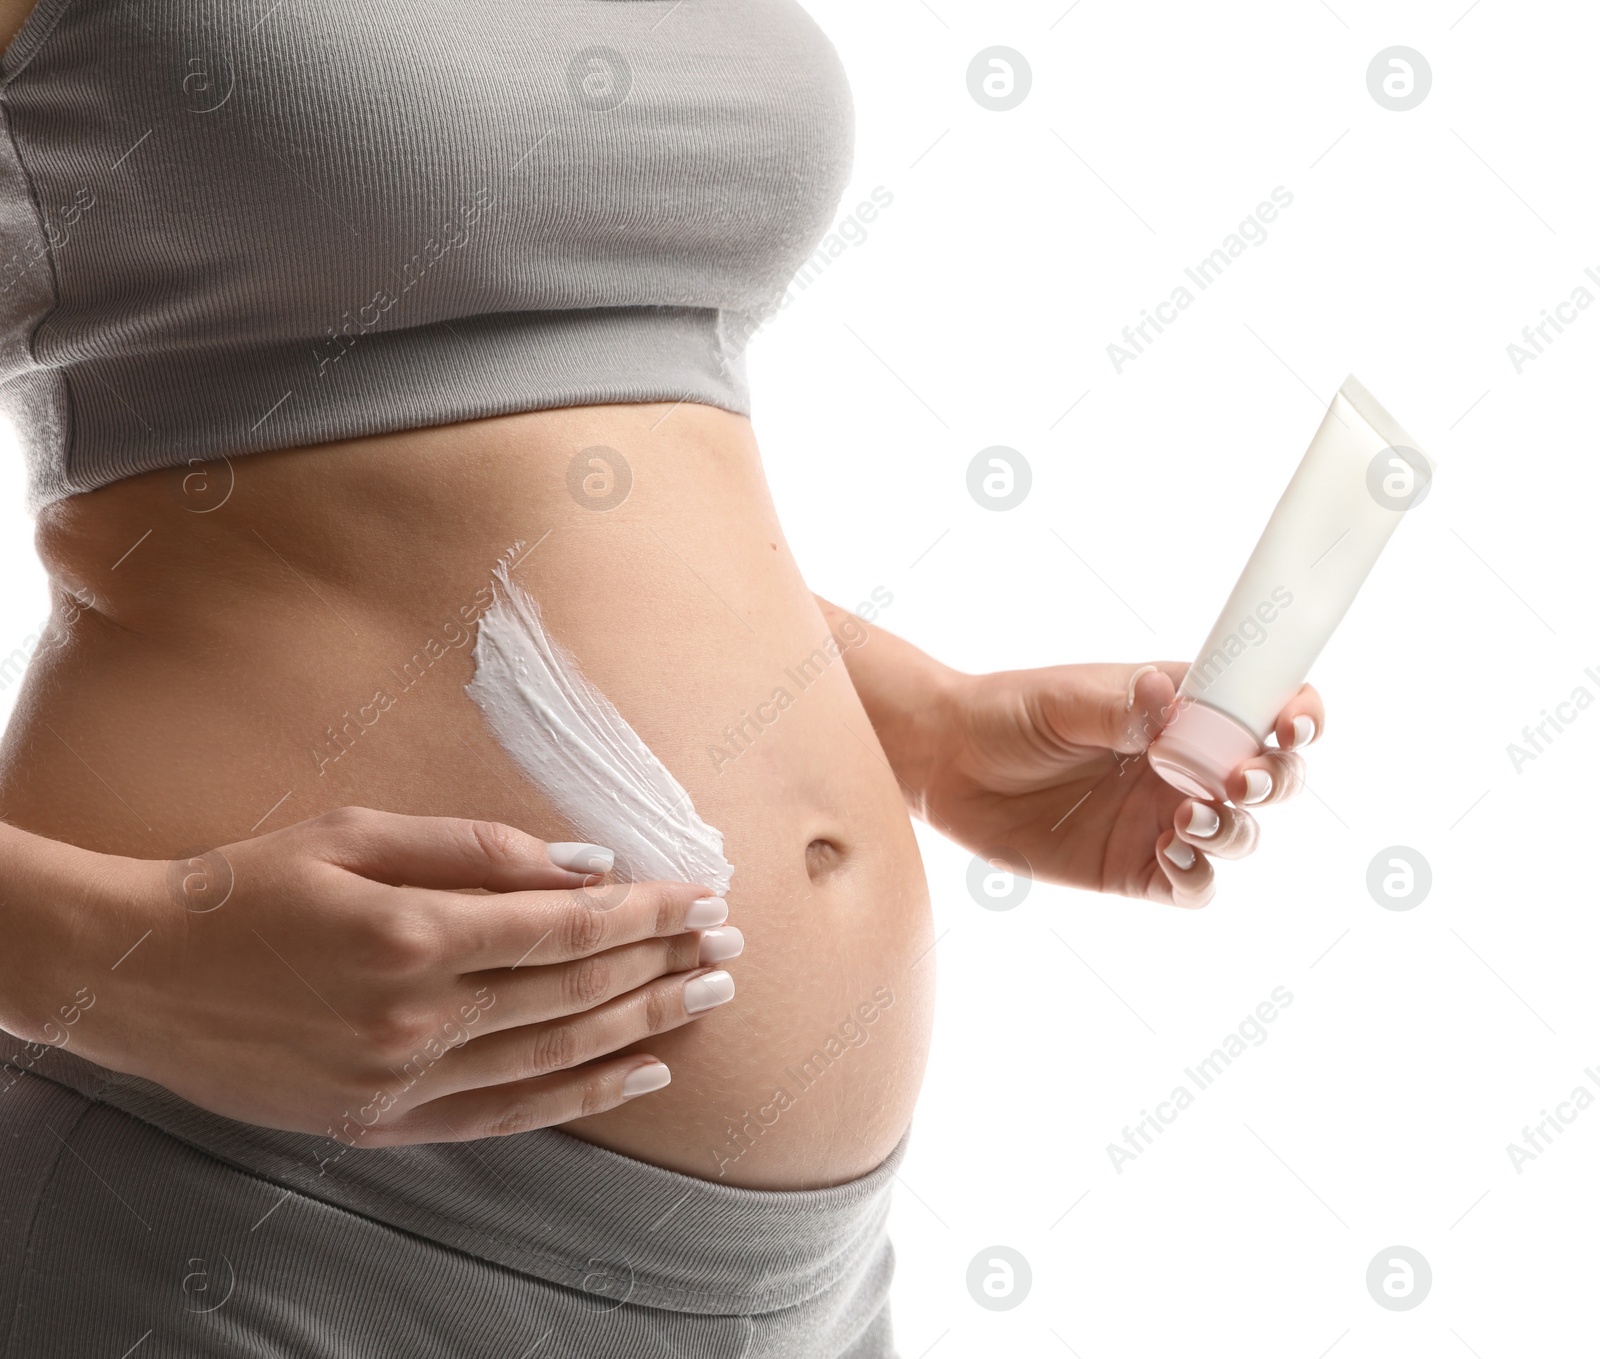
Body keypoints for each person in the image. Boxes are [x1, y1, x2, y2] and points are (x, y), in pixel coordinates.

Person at [0, 2, 1321, 1355]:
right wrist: (119, 957)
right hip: (250, 1224)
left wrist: (928, 727)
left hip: (807, 1281)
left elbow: (509, 497)